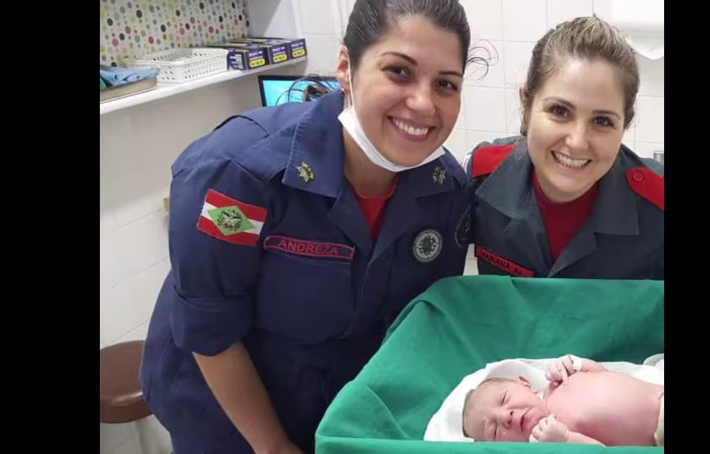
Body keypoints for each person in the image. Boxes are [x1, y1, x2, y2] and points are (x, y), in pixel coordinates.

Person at [138, 1, 479, 452]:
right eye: (399, 72)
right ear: (345, 69)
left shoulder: (445, 191)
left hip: (338, 409)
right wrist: (274, 447)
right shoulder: (239, 174)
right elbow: (210, 332)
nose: (423, 103)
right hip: (223, 415)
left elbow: (420, 324)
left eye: (445, 84)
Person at [462, 16, 664, 280]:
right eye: (559, 111)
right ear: (527, 106)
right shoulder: (481, 178)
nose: (577, 142)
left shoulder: (657, 204)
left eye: (602, 121)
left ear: (624, 126)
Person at [461, 354, 664, 446]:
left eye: (504, 399)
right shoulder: (549, 441)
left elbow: (605, 375)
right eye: (495, 431)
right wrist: (565, 440)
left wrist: (579, 364)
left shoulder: (558, 381)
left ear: (526, 384)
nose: (506, 416)